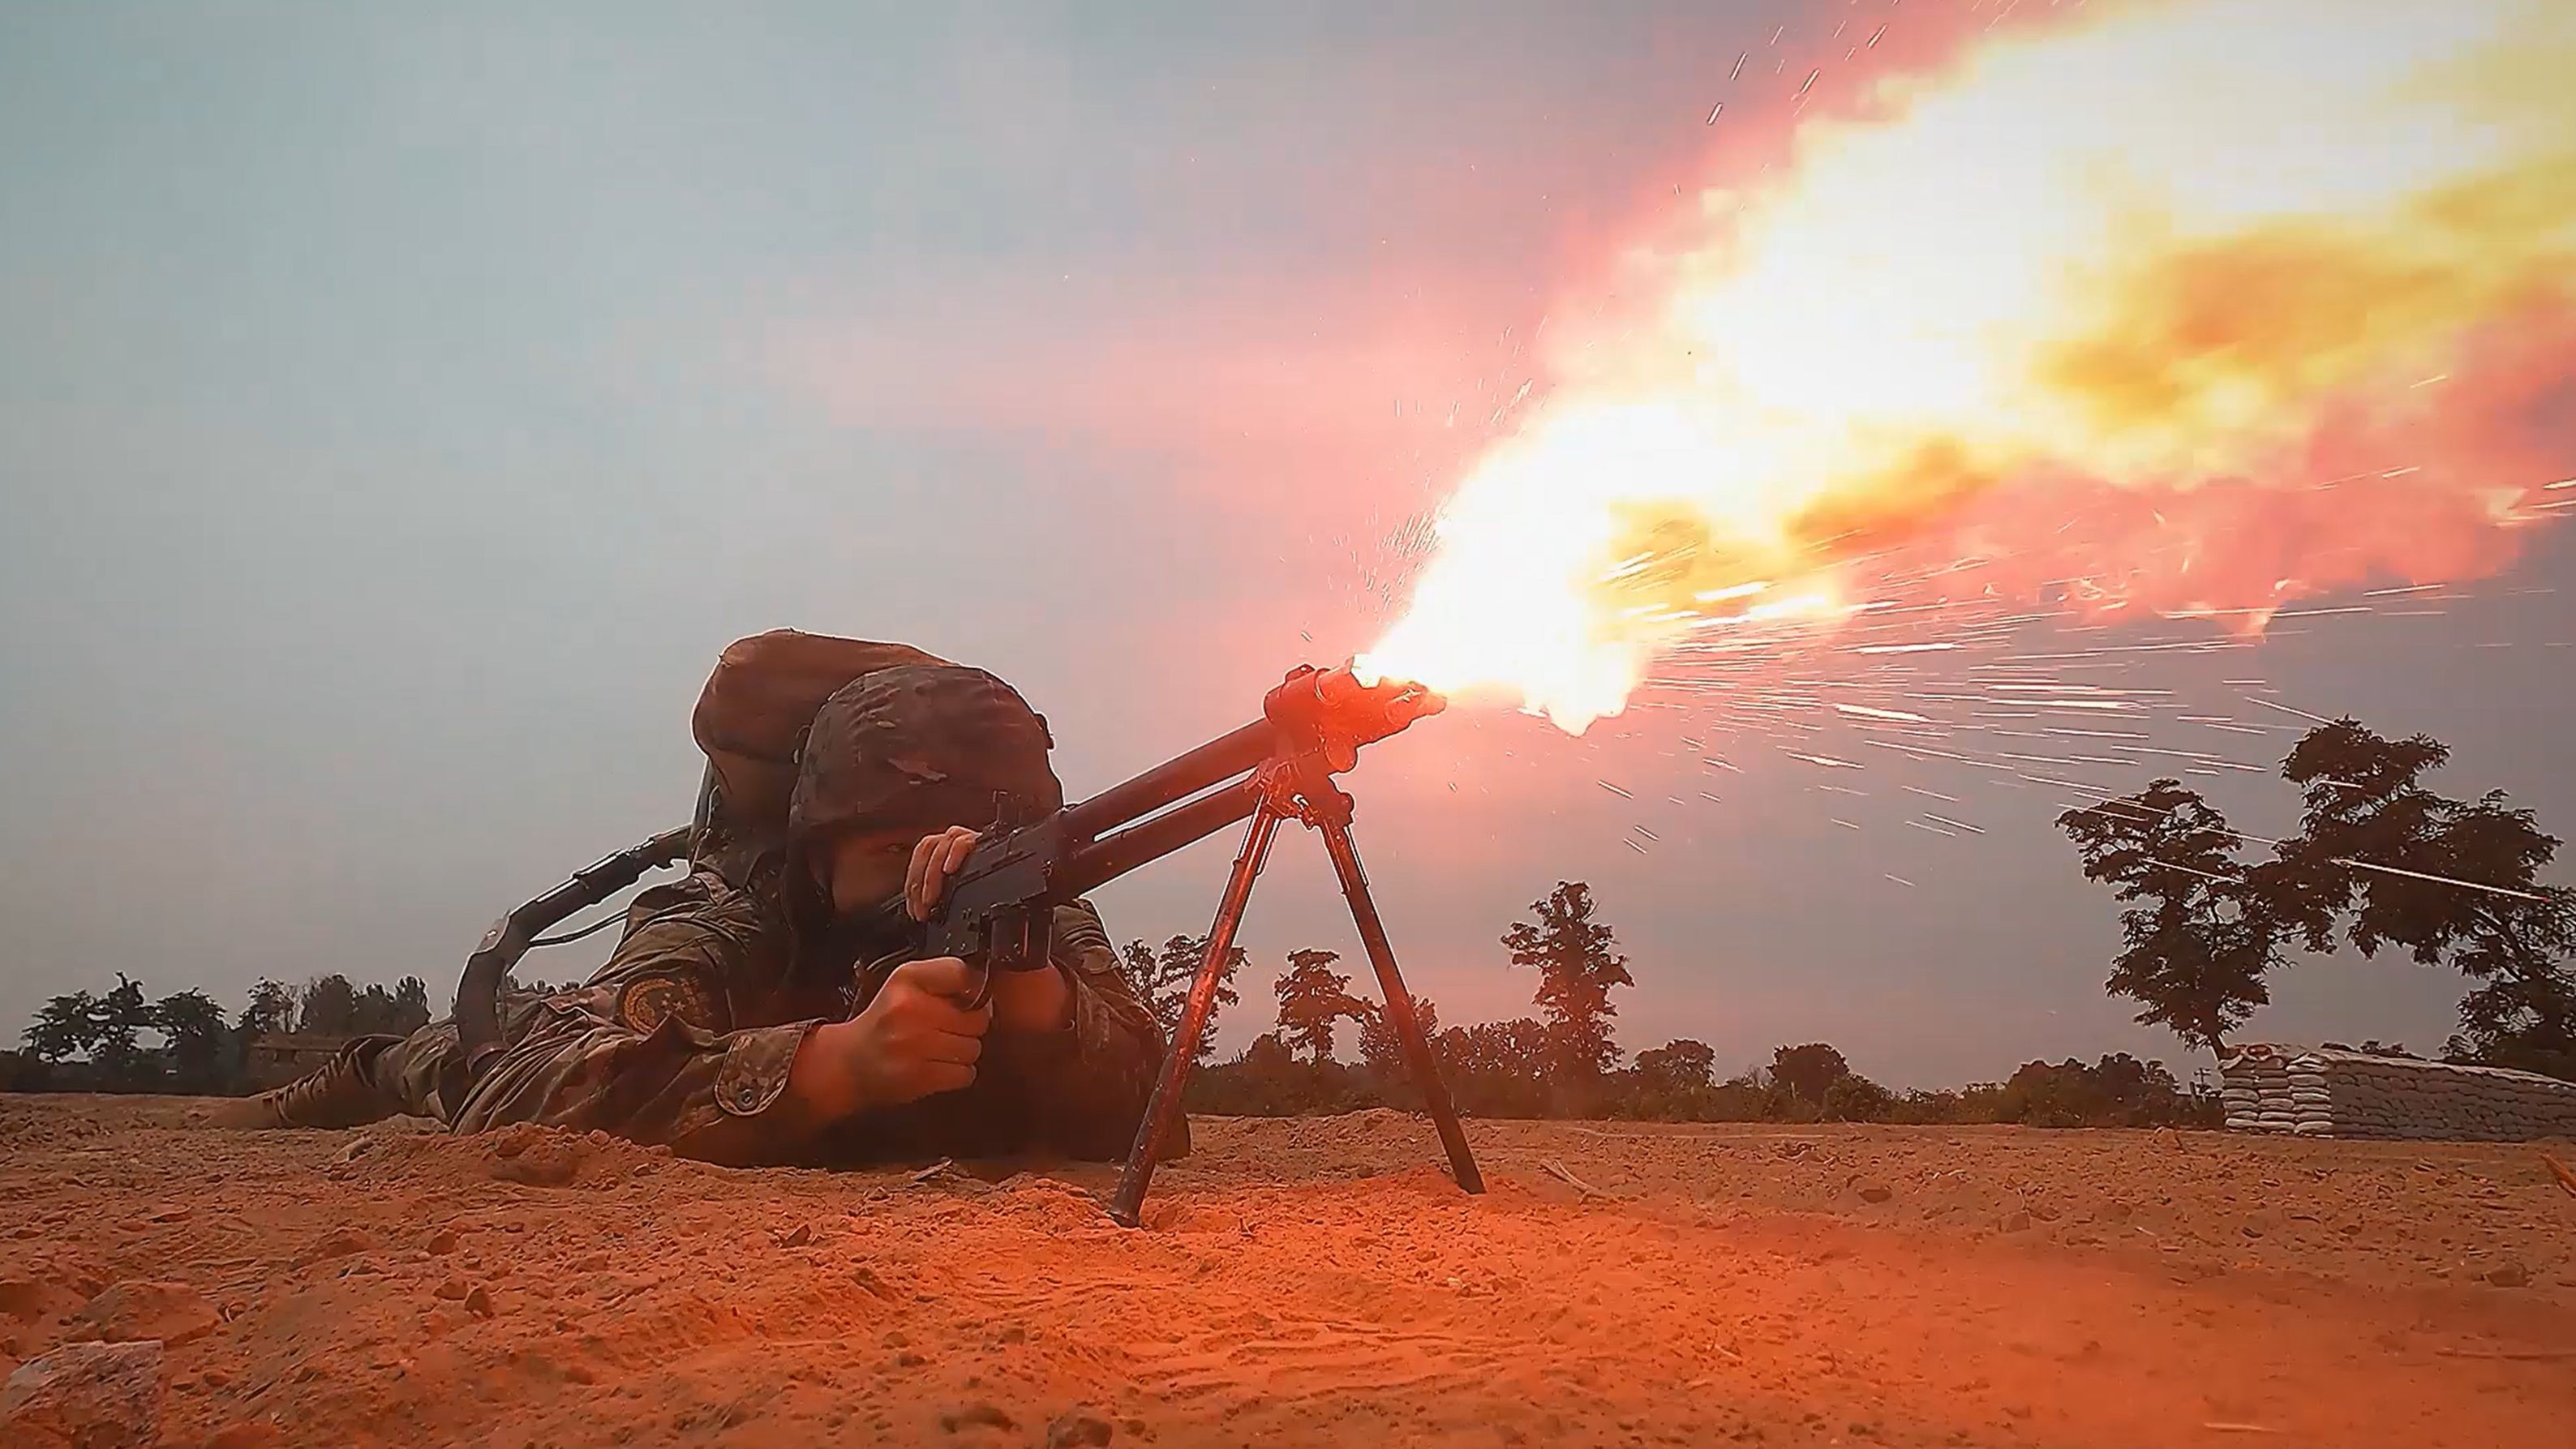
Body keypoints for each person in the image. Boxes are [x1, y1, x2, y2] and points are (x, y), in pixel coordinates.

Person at [217, 662, 1175, 1166]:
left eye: (961, 845)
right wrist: (829, 1068)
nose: (932, 875)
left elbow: (1158, 1115)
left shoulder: (1024, 907)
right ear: (816, 854)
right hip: (496, 1048)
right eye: (891, 852)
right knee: (434, 1053)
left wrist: (1044, 1004)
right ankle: (355, 1064)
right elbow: (515, 1084)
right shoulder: (730, 913)